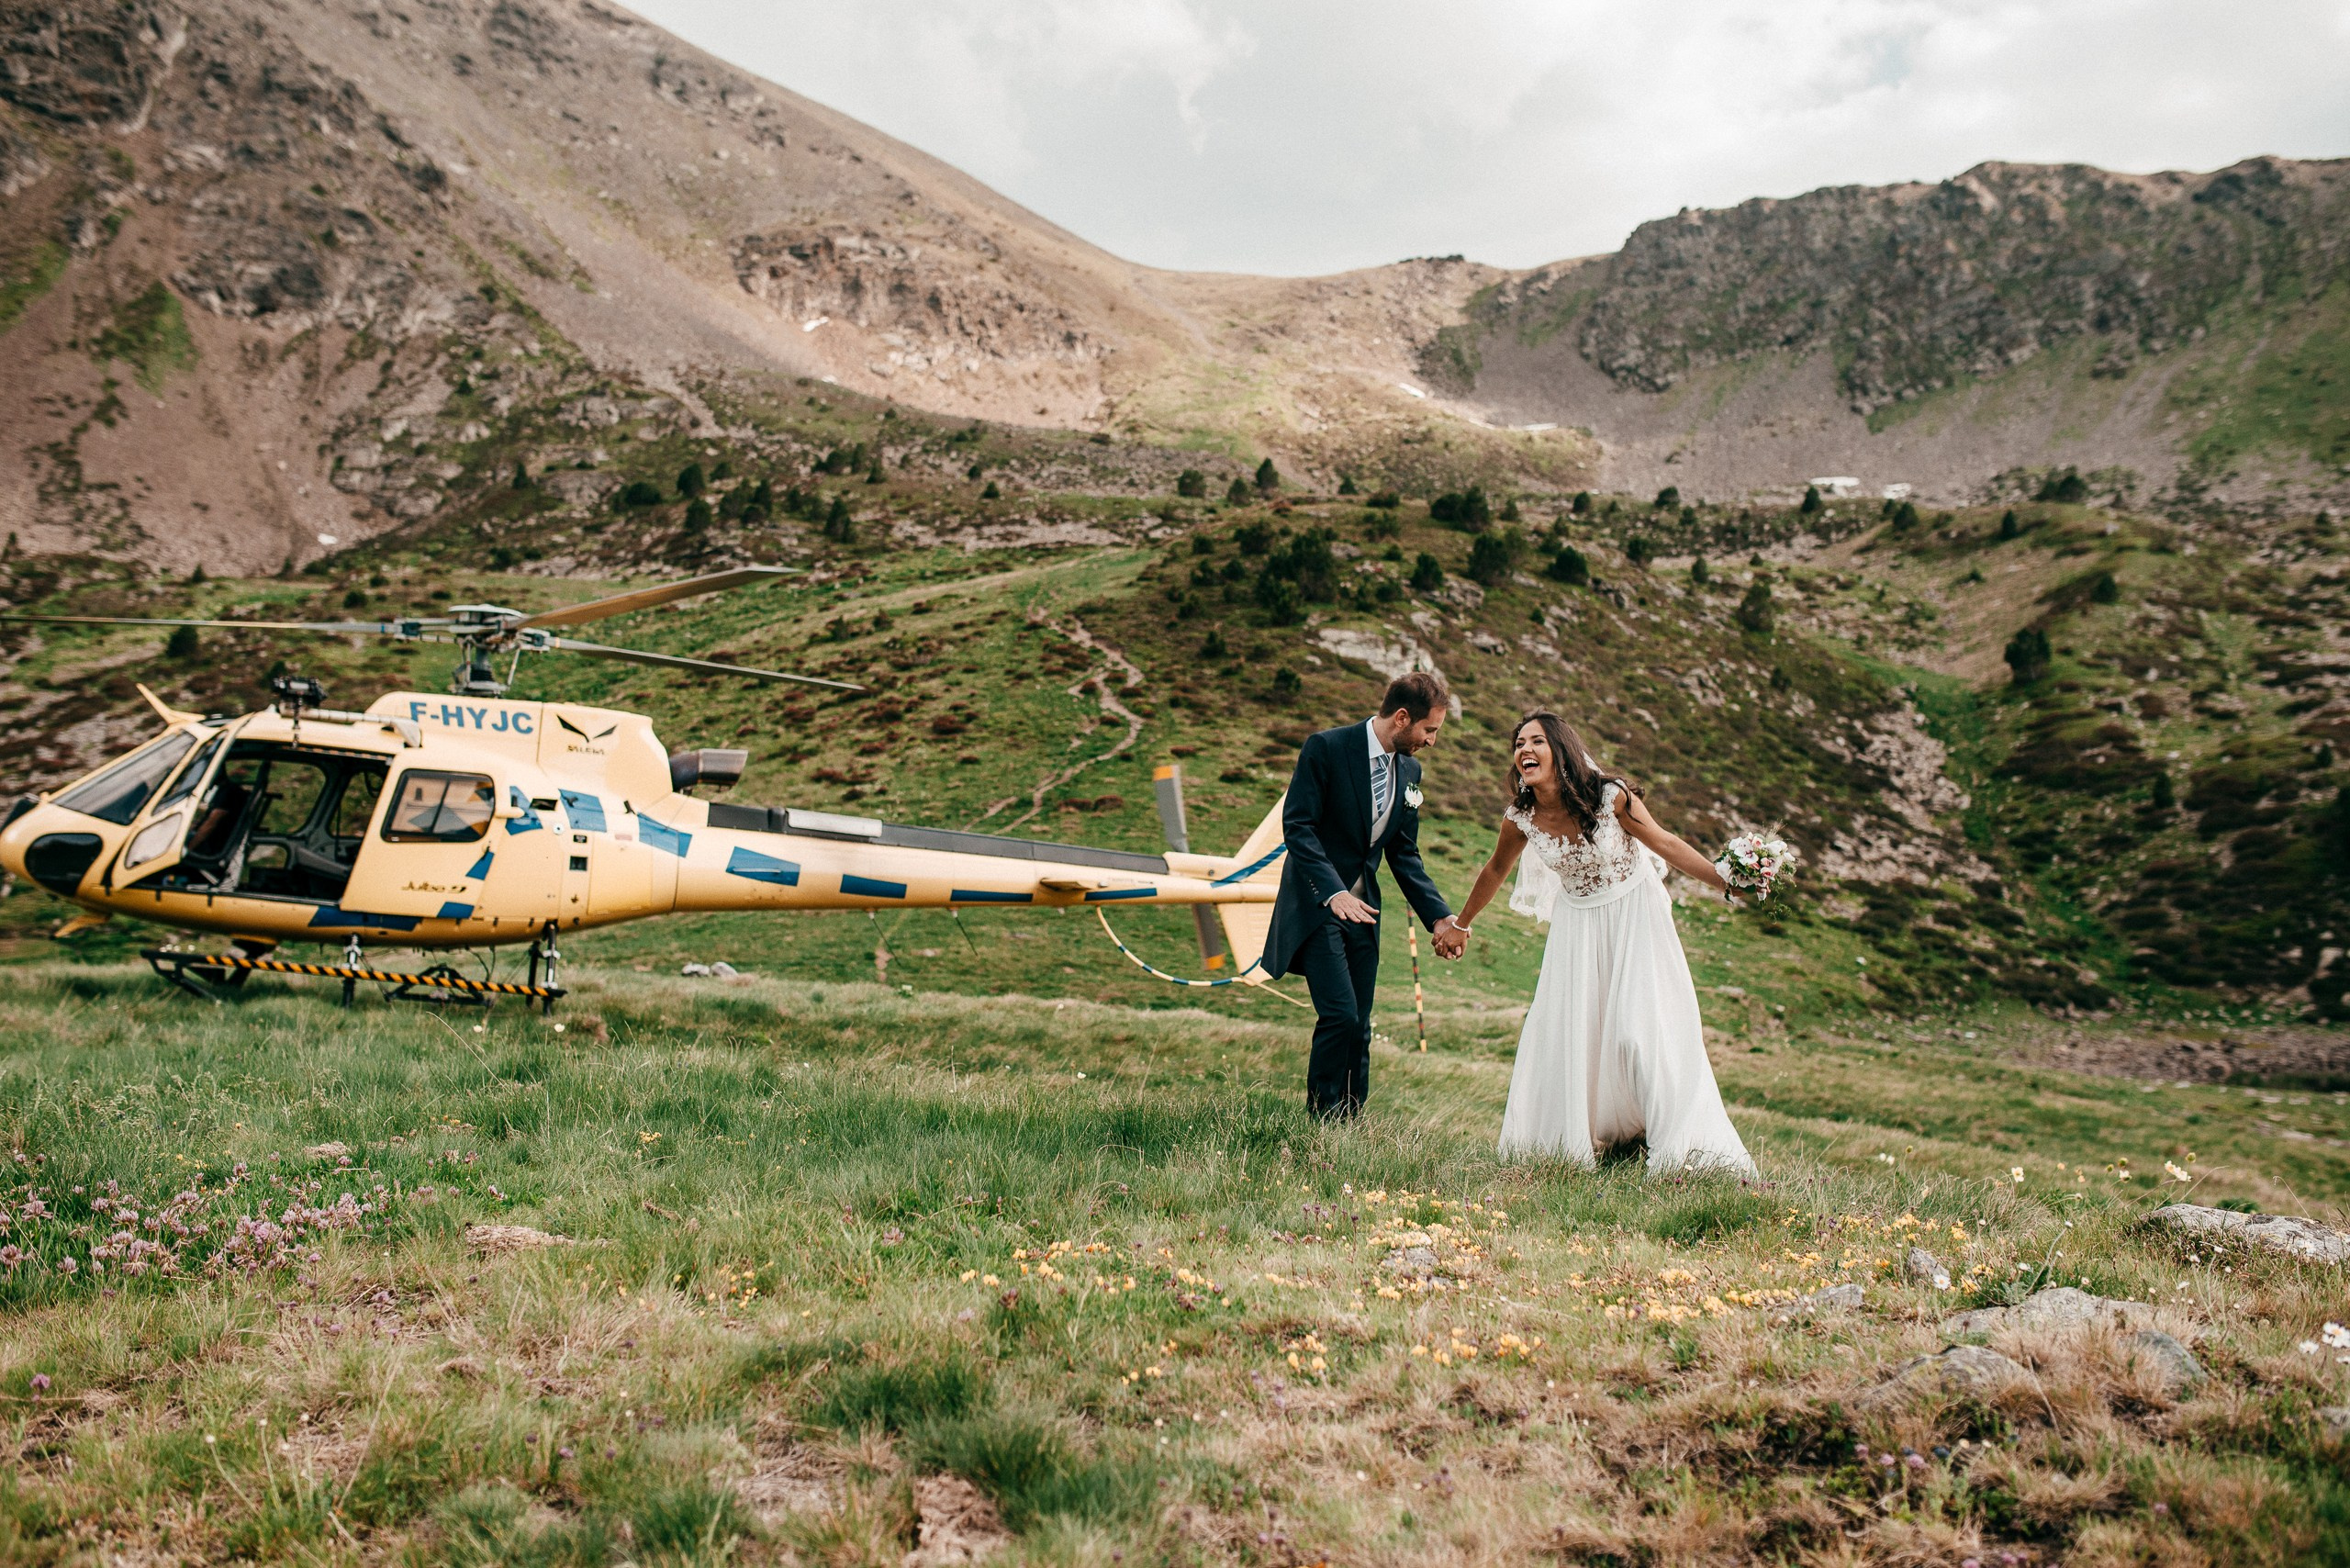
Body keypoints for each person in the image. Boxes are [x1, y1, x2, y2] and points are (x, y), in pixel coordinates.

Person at [1449, 711, 1755, 1173]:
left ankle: (1678, 1152)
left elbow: (1664, 842)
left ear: (1561, 749)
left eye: (1536, 741)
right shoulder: (1521, 818)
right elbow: (1495, 870)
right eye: (1518, 744)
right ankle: (1591, 1143)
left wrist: (1725, 881)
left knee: (1638, 1029)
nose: (1524, 750)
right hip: (1578, 928)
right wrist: (1461, 923)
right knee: (1578, 1034)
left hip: (1636, 915)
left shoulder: (1610, 796)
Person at [1263, 671, 1469, 1119]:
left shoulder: (1410, 772)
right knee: (1340, 1017)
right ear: (1401, 718)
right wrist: (1333, 893)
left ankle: (1351, 1127)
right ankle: (1320, 1124)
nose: (1432, 741)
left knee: (1361, 1026)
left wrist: (1439, 917)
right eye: (1429, 730)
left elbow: (1404, 854)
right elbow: (1298, 826)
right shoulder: (1327, 748)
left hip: (1365, 913)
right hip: (1318, 905)